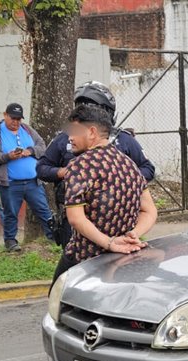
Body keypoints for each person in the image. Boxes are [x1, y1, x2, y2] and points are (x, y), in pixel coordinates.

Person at [37, 81, 155, 246]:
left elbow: (148, 169)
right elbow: (42, 168)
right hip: (75, 223)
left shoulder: (124, 140)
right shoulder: (64, 139)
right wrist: (63, 172)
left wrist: (117, 179)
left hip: (117, 221)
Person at [51, 104, 157, 286]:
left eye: (75, 131)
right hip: (123, 259)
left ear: (91, 132)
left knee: (61, 303)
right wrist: (133, 235)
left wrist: (109, 243)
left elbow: (76, 219)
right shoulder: (129, 164)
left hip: (84, 260)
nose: (70, 138)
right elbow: (150, 211)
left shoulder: (80, 166)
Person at [0, 102, 53, 252]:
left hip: (33, 182)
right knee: (11, 213)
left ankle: (54, 238)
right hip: (10, 182)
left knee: (44, 210)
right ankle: (10, 242)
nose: (15, 122)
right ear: (5, 115)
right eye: (12, 118)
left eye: (18, 119)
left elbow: (42, 146)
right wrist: (7, 156)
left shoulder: (27, 129)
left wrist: (31, 150)